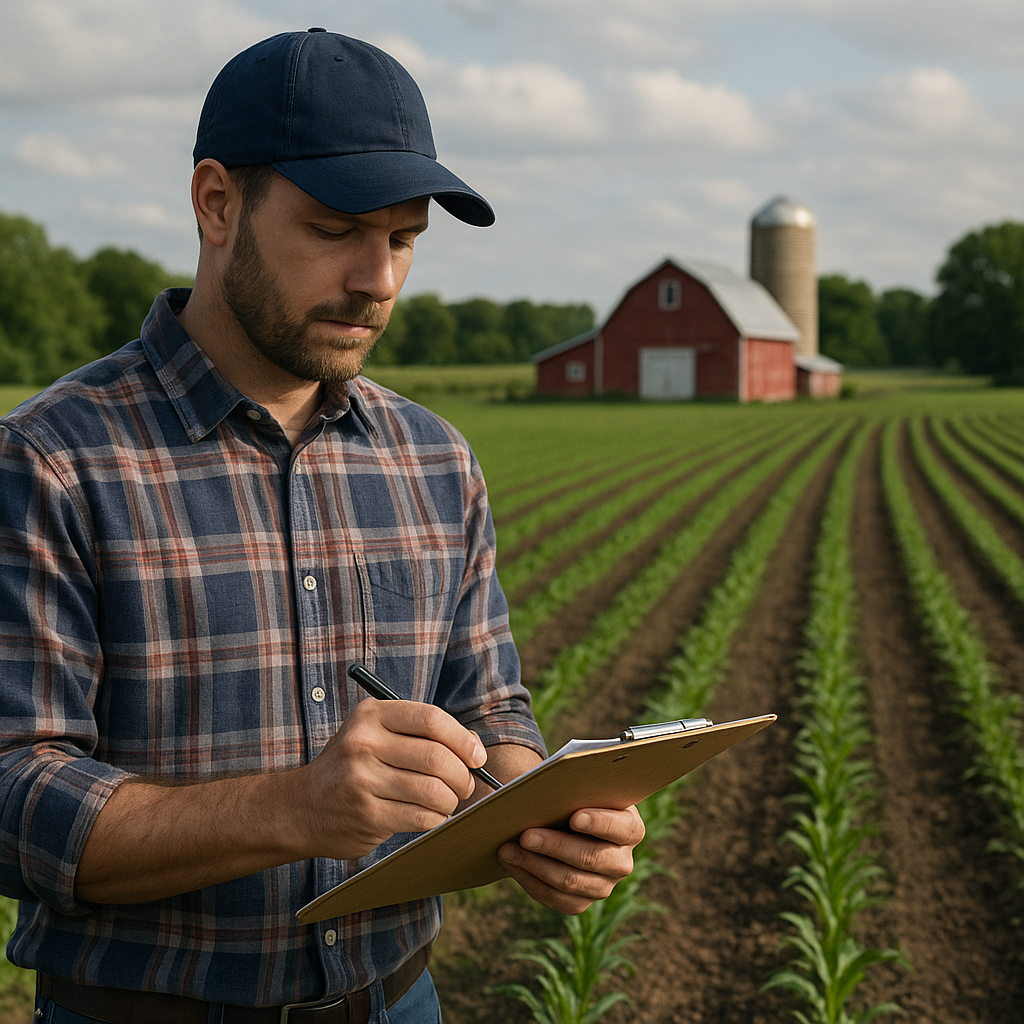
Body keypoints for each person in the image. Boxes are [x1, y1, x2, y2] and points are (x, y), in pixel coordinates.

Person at [0, 27, 644, 1024]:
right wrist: (295, 807)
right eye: (339, 228)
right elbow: (12, 797)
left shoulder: (435, 461)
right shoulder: (51, 461)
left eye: (402, 238)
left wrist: (539, 812)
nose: (379, 278)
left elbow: (491, 710)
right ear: (217, 204)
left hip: (399, 1000)